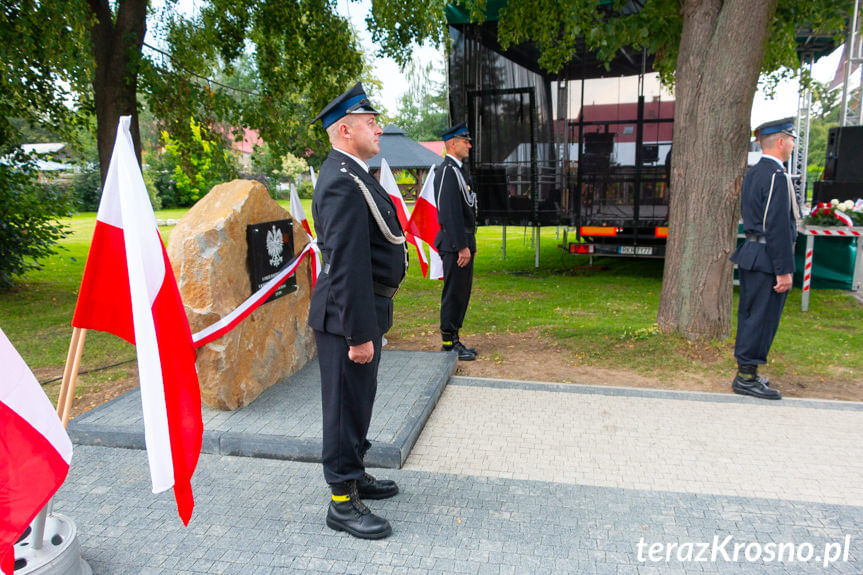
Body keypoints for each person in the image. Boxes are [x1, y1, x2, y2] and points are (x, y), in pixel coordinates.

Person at [309, 82, 408, 539]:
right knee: (343, 407)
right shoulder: (340, 180)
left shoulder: (355, 174)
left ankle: (355, 473)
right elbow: (345, 263)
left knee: (359, 401)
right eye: (371, 122)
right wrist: (358, 334)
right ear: (345, 130)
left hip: (366, 309)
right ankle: (341, 502)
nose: (379, 128)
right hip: (348, 315)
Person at [730, 117, 800, 400]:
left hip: (755, 253)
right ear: (781, 142)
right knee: (761, 317)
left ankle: (749, 373)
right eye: (792, 139)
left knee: (752, 316)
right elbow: (777, 226)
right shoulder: (775, 176)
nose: (794, 145)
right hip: (767, 257)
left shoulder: (756, 172)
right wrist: (784, 269)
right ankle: (746, 377)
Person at [435, 122, 478, 361]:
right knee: (454, 293)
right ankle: (449, 343)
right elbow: (448, 212)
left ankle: (456, 338)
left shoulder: (459, 170)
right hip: (454, 245)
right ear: (453, 143)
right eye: (465, 141)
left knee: (462, 293)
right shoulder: (447, 171)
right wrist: (461, 246)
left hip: (463, 242)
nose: (469, 145)